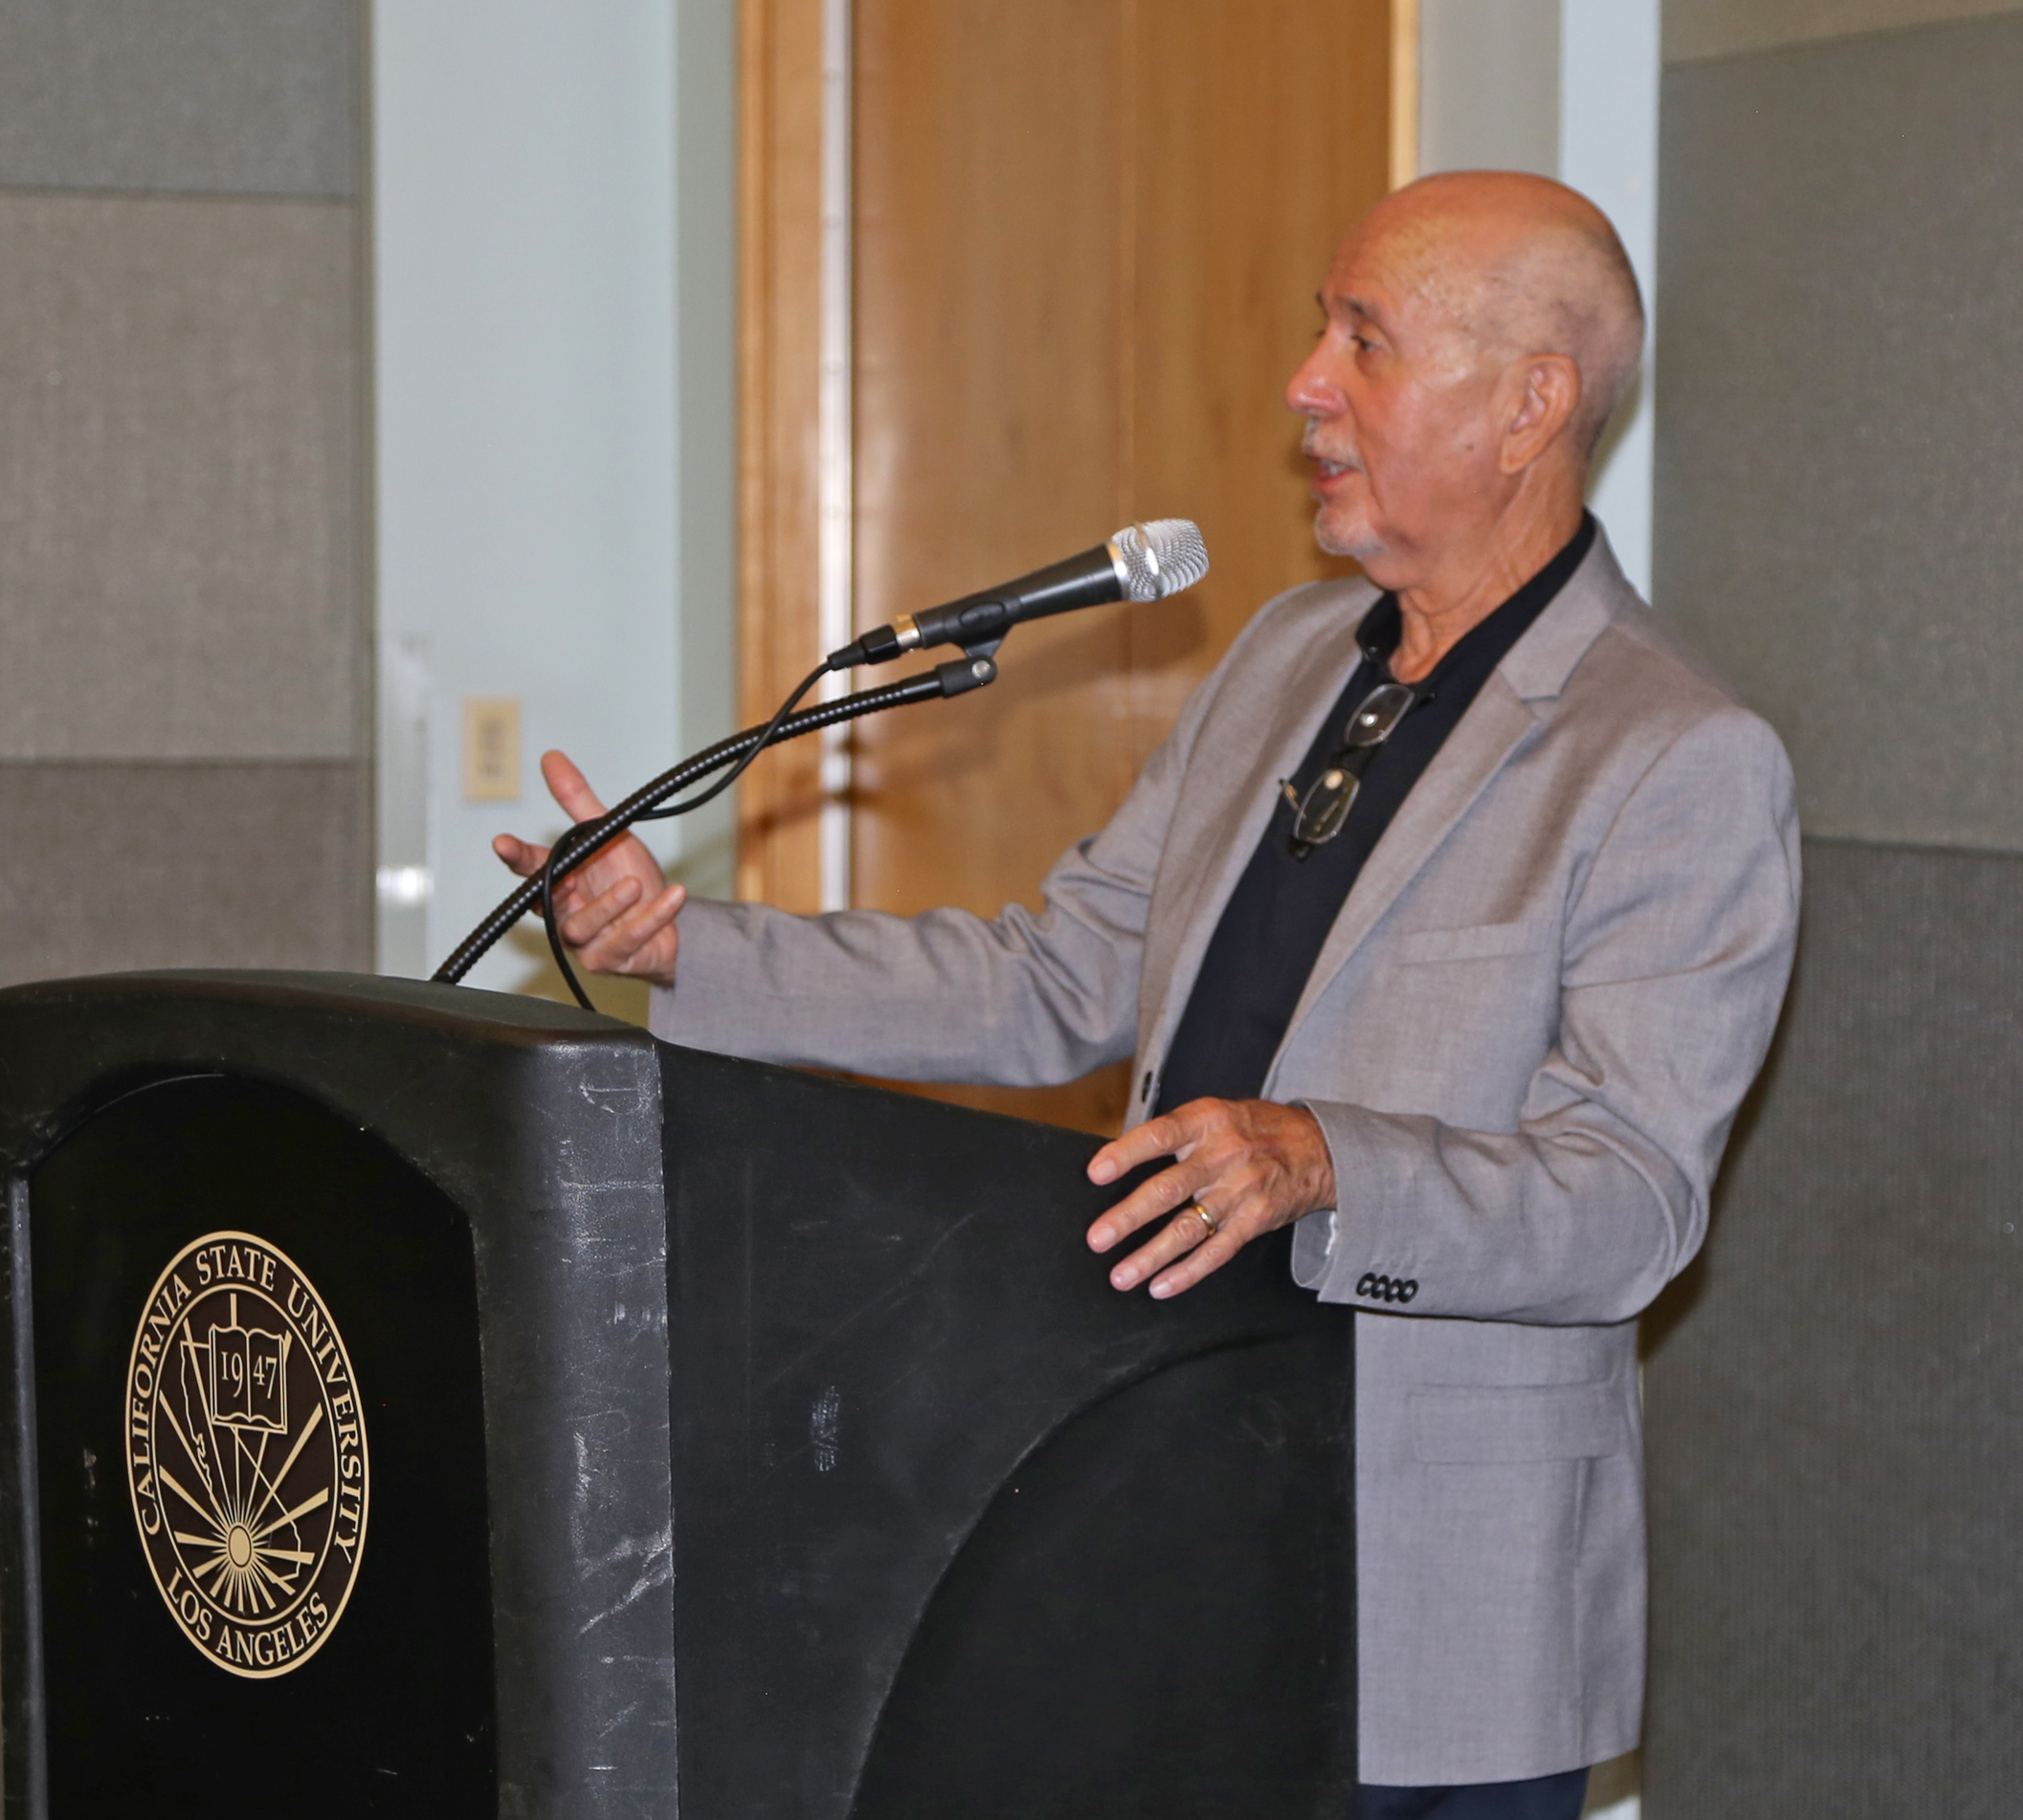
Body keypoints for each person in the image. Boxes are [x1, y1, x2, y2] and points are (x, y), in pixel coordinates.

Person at [495, 170, 1798, 1820]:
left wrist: (1323, 1157)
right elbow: (1049, 979)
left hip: (1422, 1610)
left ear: (1529, 405)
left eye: (1365, 341)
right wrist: (689, 942)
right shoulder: (1284, 660)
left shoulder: (1673, 756)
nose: (1304, 384)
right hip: (1159, 1502)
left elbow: (1631, 1201)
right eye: (1325, 328)